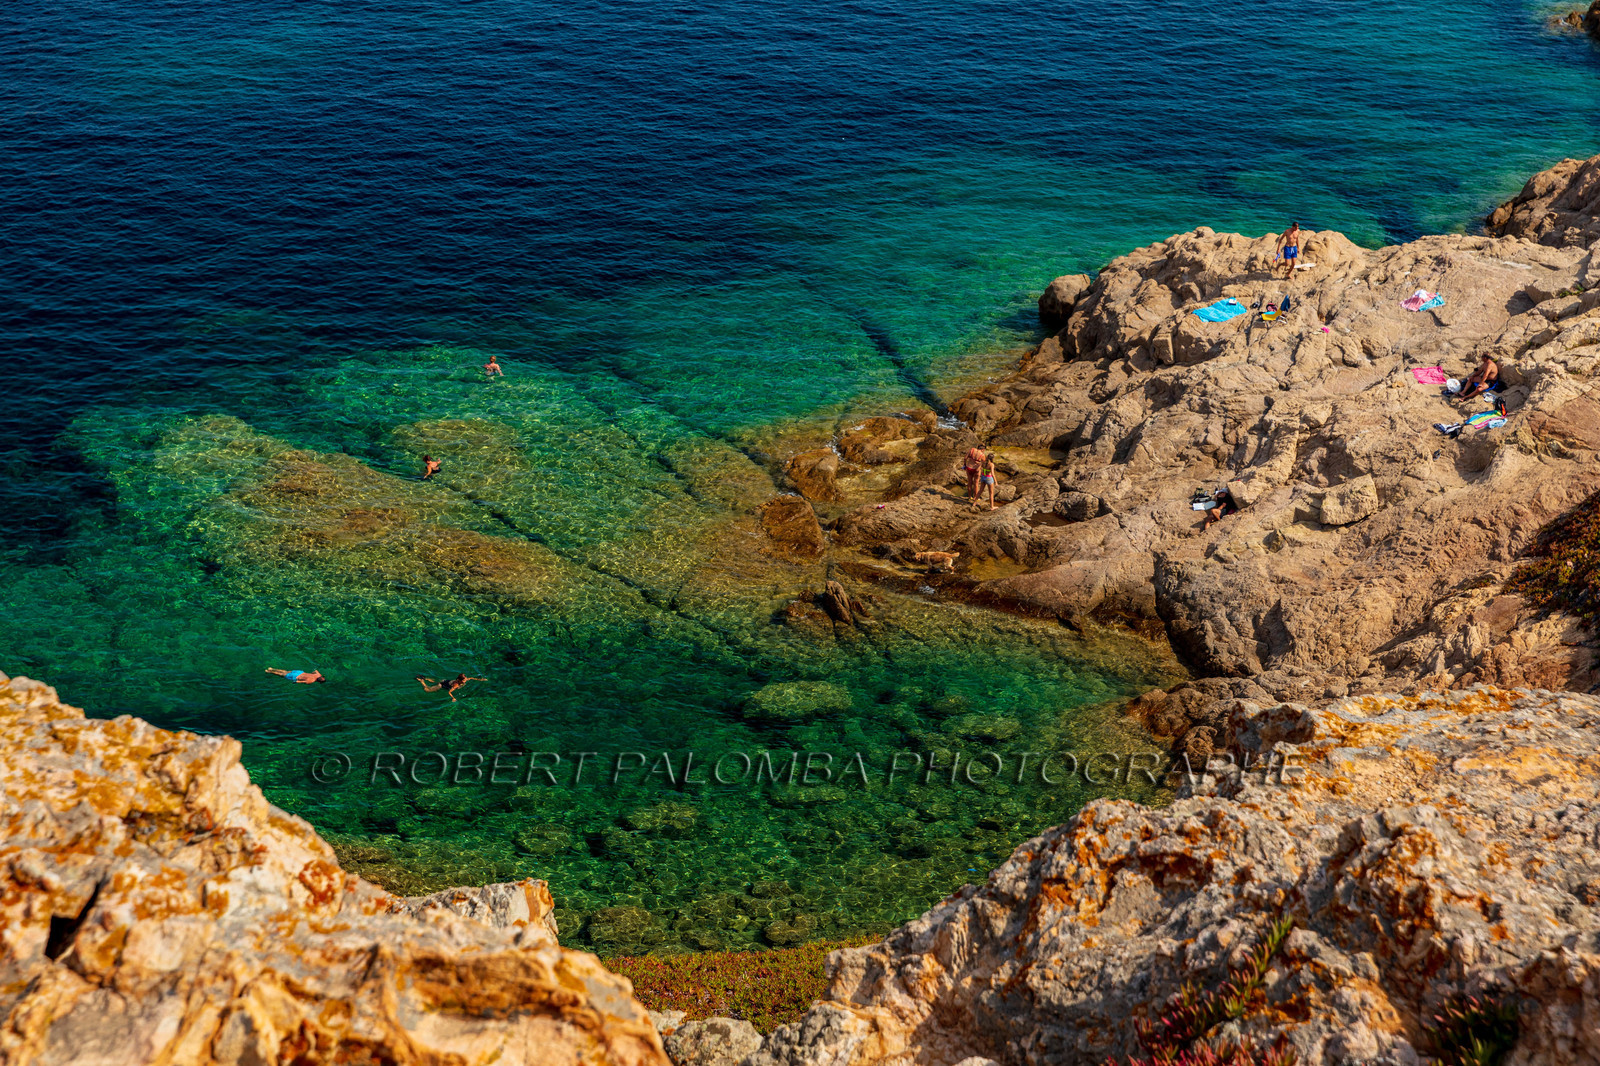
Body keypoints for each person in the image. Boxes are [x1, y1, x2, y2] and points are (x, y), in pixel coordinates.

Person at [416, 674, 486, 702]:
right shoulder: (456, 685)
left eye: (465, 680)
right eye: (464, 680)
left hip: (445, 680)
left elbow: (471, 678)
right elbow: (449, 692)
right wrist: (453, 698)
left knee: (434, 681)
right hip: (441, 685)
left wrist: (480, 679)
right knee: (427, 690)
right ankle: (422, 681)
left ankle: (425, 678)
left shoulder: (463, 680)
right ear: (459, 680)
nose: (465, 681)